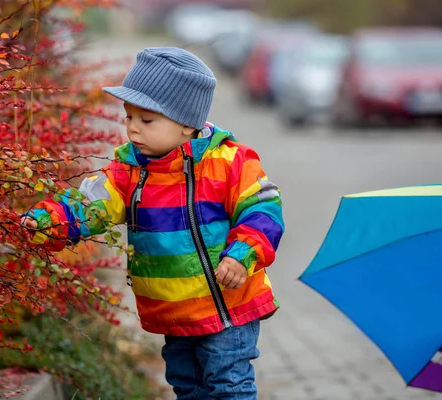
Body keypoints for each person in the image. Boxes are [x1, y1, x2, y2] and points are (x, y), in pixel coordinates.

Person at [21, 47, 284, 400]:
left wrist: (243, 253)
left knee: (228, 383)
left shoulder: (229, 162)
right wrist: (47, 222)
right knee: (187, 385)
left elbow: (263, 207)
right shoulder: (128, 171)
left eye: (147, 121)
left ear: (187, 124)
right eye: (129, 117)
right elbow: (89, 205)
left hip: (228, 306)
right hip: (173, 309)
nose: (132, 128)